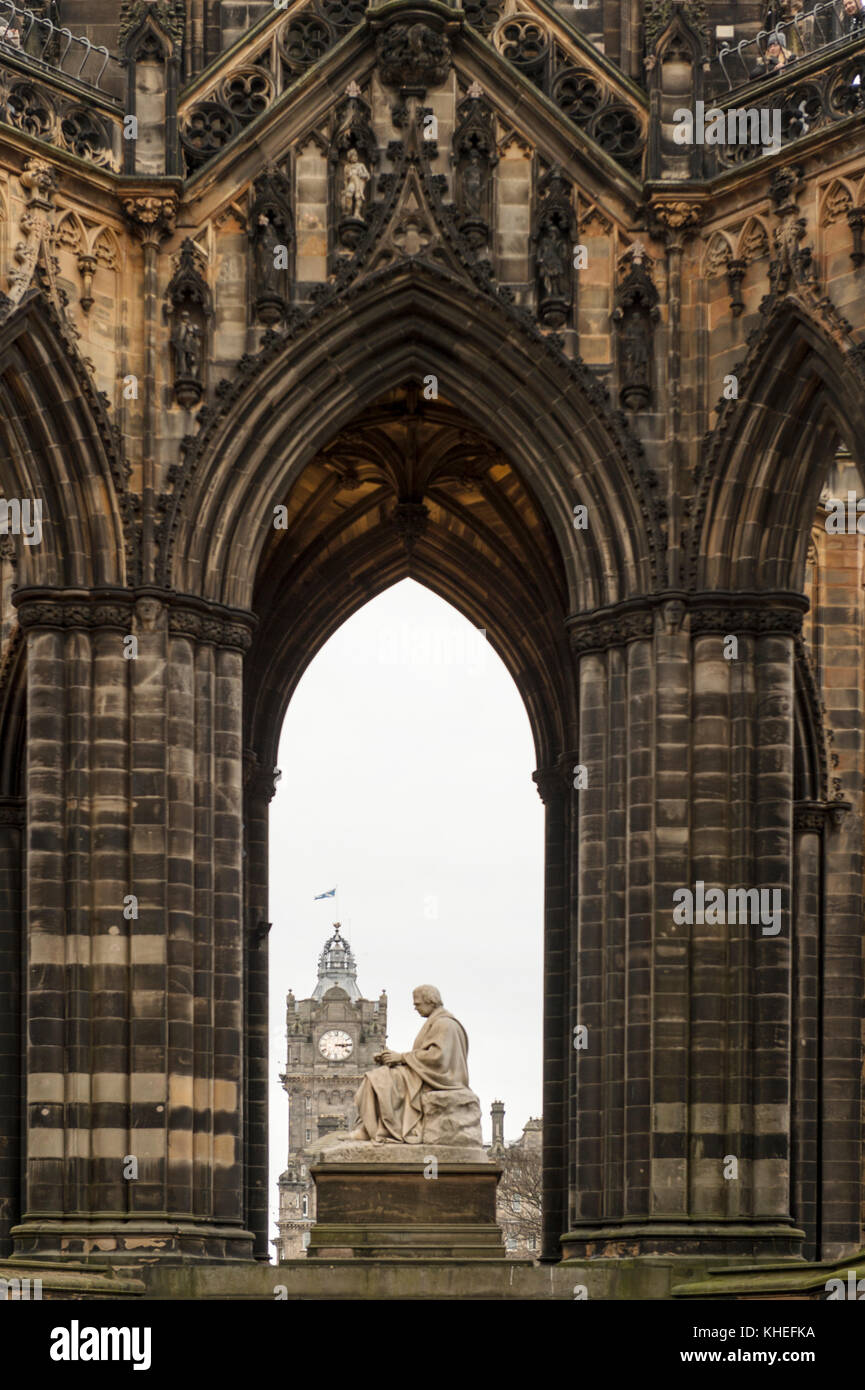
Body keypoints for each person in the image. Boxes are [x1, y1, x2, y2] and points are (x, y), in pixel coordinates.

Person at [350, 985, 472, 1144]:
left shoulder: (445, 1024)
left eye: (418, 1004)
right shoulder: (436, 1021)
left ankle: (379, 1129)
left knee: (378, 1079)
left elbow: (438, 1057)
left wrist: (401, 1057)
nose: (415, 1008)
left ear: (430, 1001)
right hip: (427, 1073)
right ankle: (371, 1127)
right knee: (378, 1077)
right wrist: (391, 1058)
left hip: (440, 1078)